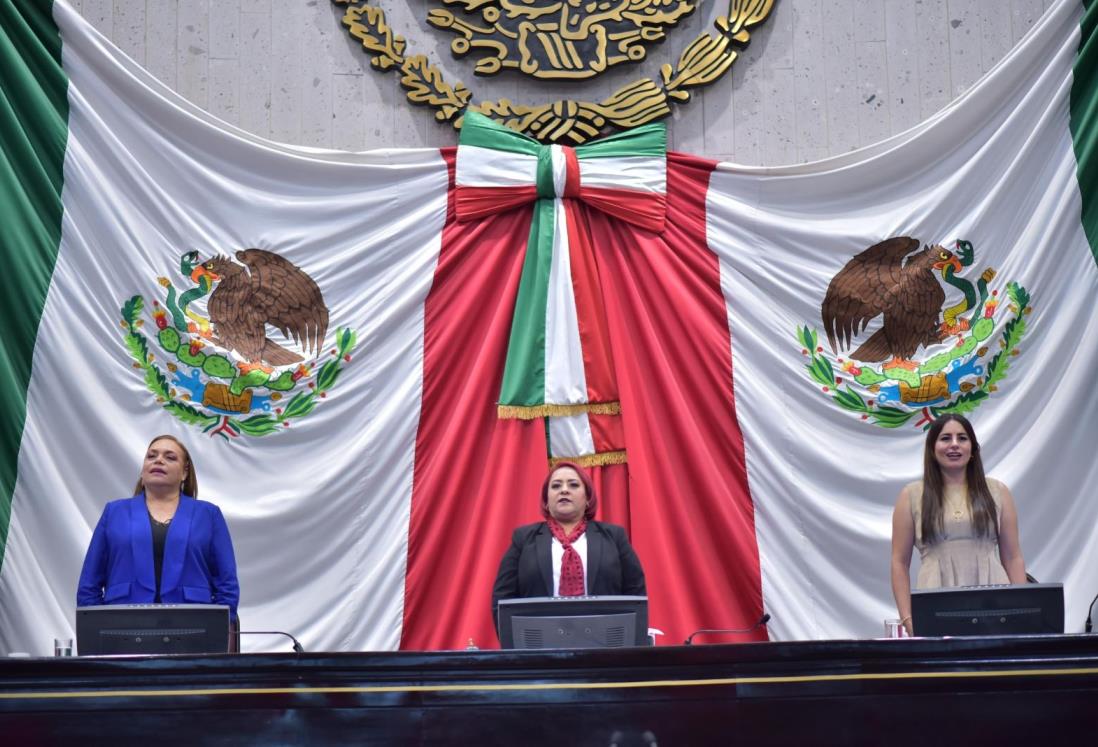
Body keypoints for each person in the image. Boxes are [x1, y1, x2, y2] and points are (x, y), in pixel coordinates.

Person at [77, 435, 240, 622]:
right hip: (122, 624)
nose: (159, 460)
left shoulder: (209, 515)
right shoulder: (114, 512)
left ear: (185, 473)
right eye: (151, 456)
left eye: (170, 457)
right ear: (142, 471)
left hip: (193, 625)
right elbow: (89, 583)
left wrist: (217, 627)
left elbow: (227, 584)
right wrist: (96, 627)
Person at [891, 415, 1025, 635]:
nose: (954, 444)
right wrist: (907, 618)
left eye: (962, 438)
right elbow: (899, 562)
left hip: (994, 602)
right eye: (945, 438)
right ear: (932, 448)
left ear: (972, 448)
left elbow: (1012, 557)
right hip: (935, 602)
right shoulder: (911, 495)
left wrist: (1020, 610)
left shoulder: (998, 492)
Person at [491, 461, 646, 634]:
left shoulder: (614, 537)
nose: (564, 490)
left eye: (573, 485)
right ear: (546, 500)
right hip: (538, 646)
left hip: (606, 644)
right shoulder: (523, 539)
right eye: (556, 486)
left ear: (587, 498)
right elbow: (502, 600)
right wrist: (515, 647)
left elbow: (636, 595)